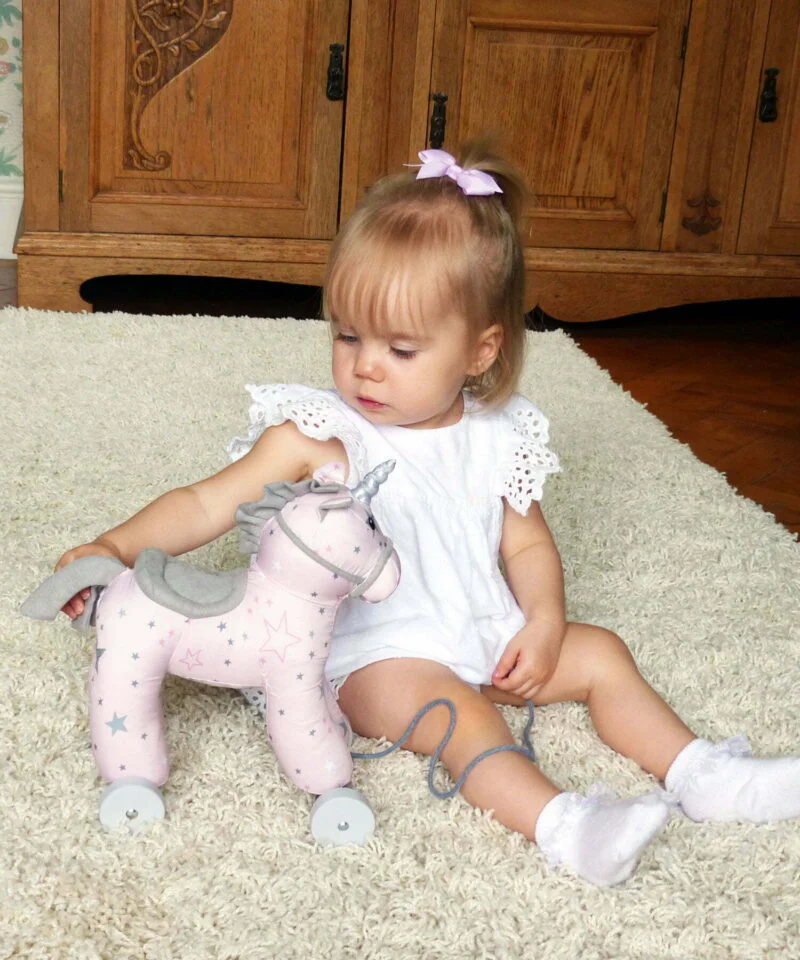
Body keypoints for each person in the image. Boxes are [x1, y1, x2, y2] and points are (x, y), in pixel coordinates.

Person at [56, 140, 800, 886]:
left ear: (480, 351)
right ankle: (563, 824)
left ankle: (703, 773)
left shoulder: (498, 437)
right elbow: (205, 502)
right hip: (373, 657)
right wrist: (117, 545)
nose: (364, 365)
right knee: (458, 713)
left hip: (482, 630)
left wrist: (541, 625)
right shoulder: (320, 434)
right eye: (347, 335)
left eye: (401, 348)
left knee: (601, 653)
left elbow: (529, 547)